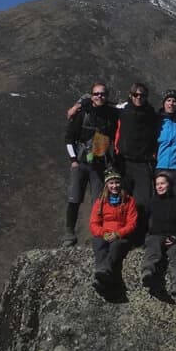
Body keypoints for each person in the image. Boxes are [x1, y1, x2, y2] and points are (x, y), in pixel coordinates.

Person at [61, 82, 119, 247]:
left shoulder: (111, 114)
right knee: (74, 198)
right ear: (91, 96)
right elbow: (69, 138)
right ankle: (69, 232)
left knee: (98, 201)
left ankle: (97, 234)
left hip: (99, 165)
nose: (99, 96)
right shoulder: (82, 113)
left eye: (102, 94)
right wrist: (73, 161)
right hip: (81, 163)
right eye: (96, 94)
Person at [112, 83, 162, 244]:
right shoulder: (121, 111)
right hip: (124, 163)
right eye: (136, 95)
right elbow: (99, 104)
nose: (139, 98)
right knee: (121, 201)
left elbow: (170, 115)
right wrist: (81, 103)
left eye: (142, 95)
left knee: (143, 203)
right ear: (130, 95)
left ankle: (138, 238)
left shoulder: (152, 114)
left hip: (143, 163)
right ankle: (120, 236)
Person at [141, 172, 176, 296]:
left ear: (170, 185)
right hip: (156, 236)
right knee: (153, 249)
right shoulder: (151, 202)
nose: (159, 186)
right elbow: (143, 221)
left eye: (162, 183)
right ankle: (147, 273)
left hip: (173, 237)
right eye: (157, 184)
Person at [89, 169, 138, 291]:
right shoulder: (100, 202)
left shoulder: (129, 201)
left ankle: (102, 273)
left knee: (116, 246)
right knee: (98, 242)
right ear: (107, 185)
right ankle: (102, 274)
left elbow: (132, 223)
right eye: (111, 183)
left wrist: (118, 234)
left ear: (120, 183)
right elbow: (94, 223)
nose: (114, 186)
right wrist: (104, 233)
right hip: (104, 234)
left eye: (117, 182)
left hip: (121, 236)